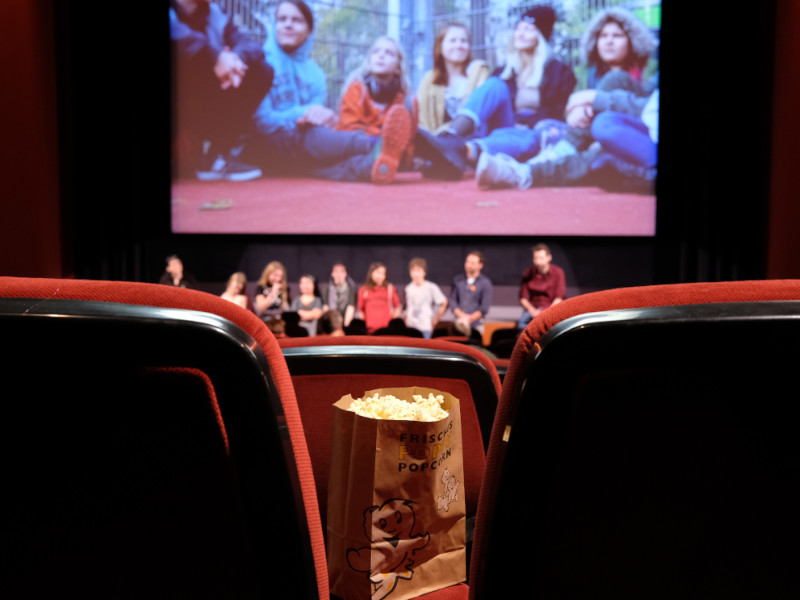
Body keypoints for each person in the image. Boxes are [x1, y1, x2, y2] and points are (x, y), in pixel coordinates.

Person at [475, 7, 657, 189]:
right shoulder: (585, 73)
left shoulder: (650, 70)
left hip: (638, 130)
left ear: (632, 40)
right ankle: (499, 160)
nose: (609, 41)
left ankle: (527, 168)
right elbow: (569, 112)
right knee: (598, 141)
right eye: (603, 36)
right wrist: (575, 113)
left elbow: (651, 108)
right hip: (593, 132)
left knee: (614, 80)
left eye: (617, 36)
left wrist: (594, 101)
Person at [247, 1, 411, 184]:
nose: (288, 24)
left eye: (296, 20)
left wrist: (323, 118)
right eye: (282, 19)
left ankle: (372, 166)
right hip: (264, 144)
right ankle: (374, 145)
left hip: (299, 151)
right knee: (314, 137)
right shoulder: (261, 64)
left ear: (309, 30)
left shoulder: (316, 74)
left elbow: (315, 118)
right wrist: (304, 113)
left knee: (318, 151)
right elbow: (263, 122)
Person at [417, 6, 576, 179]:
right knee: (495, 84)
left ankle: (461, 153)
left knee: (526, 137)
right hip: (504, 126)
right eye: (518, 28)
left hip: (532, 133)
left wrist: (523, 122)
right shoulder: (504, 71)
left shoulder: (560, 72)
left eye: (529, 29)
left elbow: (555, 115)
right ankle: (450, 137)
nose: (520, 34)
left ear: (541, 35)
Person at [170, 0, 273, 181]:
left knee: (261, 70)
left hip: (198, 104)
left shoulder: (215, 13)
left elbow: (249, 44)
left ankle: (216, 157)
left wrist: (235, 59)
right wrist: (215, 56)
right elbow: (179, 36)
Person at [416, 22, 490, 134]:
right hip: (437, 140)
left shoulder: (479, 72)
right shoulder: (429, 79)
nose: (459, 45)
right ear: (440, 46)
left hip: (472, 137)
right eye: (453, 40)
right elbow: (422, 118)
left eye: (464, 41)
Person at [517, 244, 565, 330]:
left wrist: (546, 312)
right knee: (521, 325)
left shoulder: (558, 272)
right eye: (536, 258)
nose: (538, 261)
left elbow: (559, 297)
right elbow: (523, 298)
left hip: (551, 308)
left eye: (541, 258)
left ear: (549, 258)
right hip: (533, 309)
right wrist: (532, 310)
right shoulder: (528, 273)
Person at [449, 251, 493, 335]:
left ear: (480, 265)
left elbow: (484, 307)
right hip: (458, 325)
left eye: (472, 263)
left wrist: (470, 318)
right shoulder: (458, 280)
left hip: (475, 326)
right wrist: (462, 316)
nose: (468, 265)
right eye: (467, 262)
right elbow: (453, 301)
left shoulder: (485, 283)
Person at [404, 258, 448, 339]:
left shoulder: (431, 287)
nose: (416, 273)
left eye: (419, 270)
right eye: (413, 270)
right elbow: (408, 306)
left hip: (425, 327)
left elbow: (444, 302)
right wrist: (406, 318)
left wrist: (436, 319)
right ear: (410, 272)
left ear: (424, 272)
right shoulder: (408, 288)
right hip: (411, 327)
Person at [357, 262, 401, 334]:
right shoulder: (364, 290)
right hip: (369, 330)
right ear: (371, 273)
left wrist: (392, 323)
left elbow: (397, 308)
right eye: (378, 272)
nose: (380, 276)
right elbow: (360, 311)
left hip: (386, 330)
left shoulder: (390, 289)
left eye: (383, 273)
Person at [324, 263, 357, 327]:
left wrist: (346, 326)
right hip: (331, 322)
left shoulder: (351, 289)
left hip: (345, 321)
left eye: (341, 271)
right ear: (332, 274)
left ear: (345, 274)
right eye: (336, 271)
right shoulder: (327, 289)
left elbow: (350, 307)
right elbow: (326, 308)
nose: (339, 274)